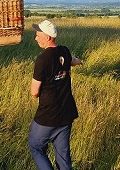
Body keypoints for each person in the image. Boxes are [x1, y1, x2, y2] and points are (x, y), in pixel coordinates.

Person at [29, 20, 83, 170]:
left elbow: (34, 92)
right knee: (62, 154)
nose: (35, 38)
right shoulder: (64, 51)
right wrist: (79, 62)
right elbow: (71, 60)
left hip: (48, 115)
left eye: (38, 34)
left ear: (48, 37)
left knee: (36, 146)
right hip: (66, 113)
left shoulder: (42, 59)